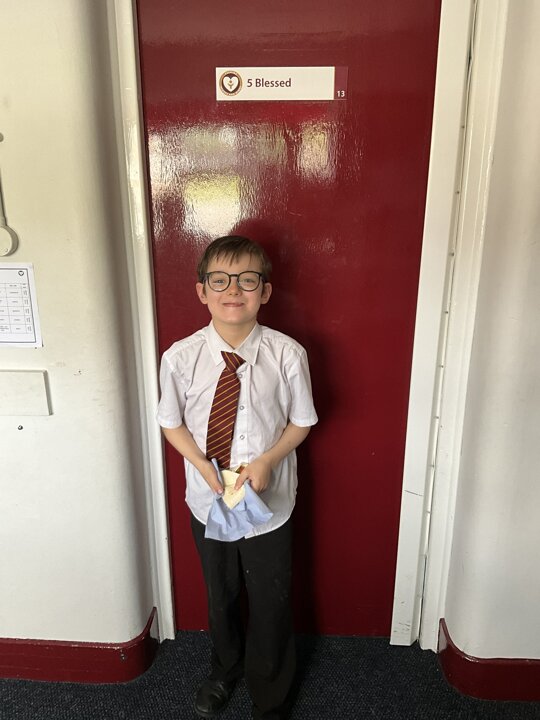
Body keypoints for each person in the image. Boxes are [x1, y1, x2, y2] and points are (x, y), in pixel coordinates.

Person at [157, 235, 318, 719]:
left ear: (264, 291)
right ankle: (224, 670)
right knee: (221, 593)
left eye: (248, 280)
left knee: (270, 599)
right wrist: (202, 466)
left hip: (269, 502)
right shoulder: (180, 357)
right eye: (220, 280)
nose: (233, 290)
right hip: (209, 499)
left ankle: (270, 692)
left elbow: (301, 421)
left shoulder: (287, 354)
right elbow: (171, 422)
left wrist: (268, 460)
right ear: (202, 291)